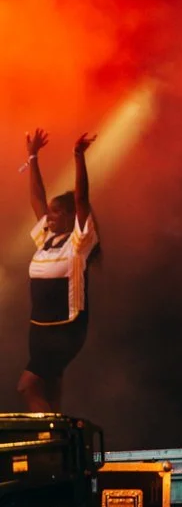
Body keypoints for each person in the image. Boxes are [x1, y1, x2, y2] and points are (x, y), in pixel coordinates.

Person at [18, 128, 99, 412]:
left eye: (55, 212)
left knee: (27, 385)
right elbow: (37, 199)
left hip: (66, 329)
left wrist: (78, 157)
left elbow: (82, 199)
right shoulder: (47, 239)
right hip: (38, 331)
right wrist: (32, 157)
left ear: (70, 217)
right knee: (51, 393)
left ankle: (52, 432)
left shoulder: (78, 244)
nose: (48, 217)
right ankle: (55, 438)